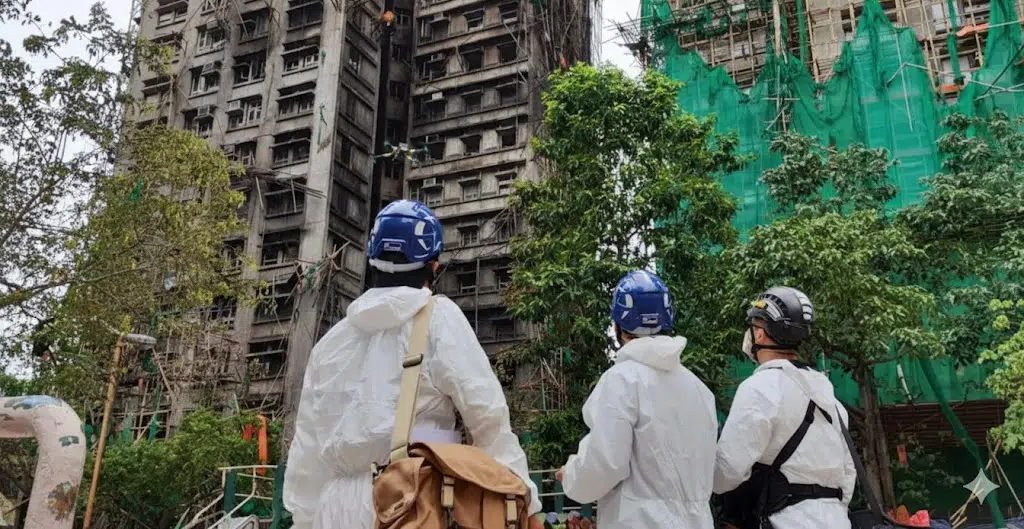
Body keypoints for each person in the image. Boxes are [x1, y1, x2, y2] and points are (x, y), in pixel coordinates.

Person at [283, 200, 543, 529]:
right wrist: (528, 504)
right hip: (411, 503)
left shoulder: (329, 344)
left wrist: (305, 519)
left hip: (332, 509)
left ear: (371, 258)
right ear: (433, 266)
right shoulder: (438, 319)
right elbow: (487, 420)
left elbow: (307, 454)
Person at [556, 270, 718, 529]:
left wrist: (571, 476)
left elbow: (605, 464)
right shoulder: (699, 390)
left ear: (618, 326)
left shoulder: (621, 380)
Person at [714, 286, 856, 529]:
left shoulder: (760, 388)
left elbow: (728, 471)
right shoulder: (829, 397)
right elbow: (848, 477)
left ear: (759, 335)